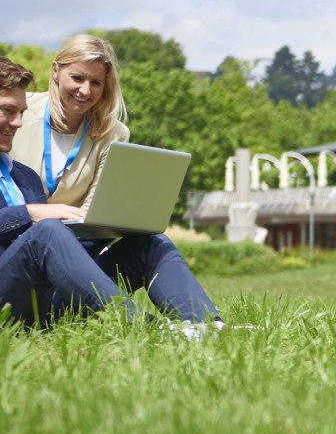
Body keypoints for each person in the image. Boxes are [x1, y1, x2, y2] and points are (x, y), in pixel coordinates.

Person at [6, 37, 220, 326]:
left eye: (96, 82)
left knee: (151, 242)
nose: (85, 90)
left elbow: (91, 217)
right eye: (78, 77)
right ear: (55, 71)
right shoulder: (20, 108)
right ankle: (150, 328)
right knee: (47, 231)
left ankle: (206, 325)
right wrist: (34, 213)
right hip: (18, 271)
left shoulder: (26, 175)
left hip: (54, 271)